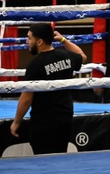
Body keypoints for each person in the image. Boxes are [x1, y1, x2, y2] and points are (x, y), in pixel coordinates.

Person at [10, 23, 86, 154]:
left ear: (39, 42)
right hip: (65, 119)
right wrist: (63, 40)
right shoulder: (66, 57)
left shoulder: (35, 65)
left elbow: (26, 98)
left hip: (43, 123)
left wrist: (16, 122)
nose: (27, 41)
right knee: (59, 157)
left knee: (43, 162)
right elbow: (82, 56)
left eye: (29, 38)